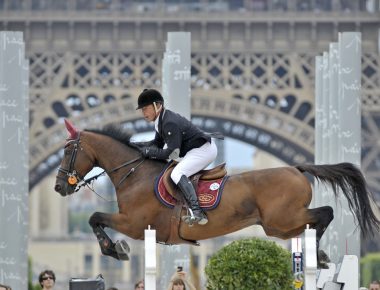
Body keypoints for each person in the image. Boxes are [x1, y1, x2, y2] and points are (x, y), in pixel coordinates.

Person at [133, 88, 218, 225]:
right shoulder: (160, 120)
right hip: (195, 149)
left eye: (146, 108)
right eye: (142, 109)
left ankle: (198, 212)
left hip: (203, 150)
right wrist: (134, 146)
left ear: (157, 105)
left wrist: (147, 152)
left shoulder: (168, 122)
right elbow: (156, 144)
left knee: (177, 173)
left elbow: (172, 153)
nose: (143, 113)